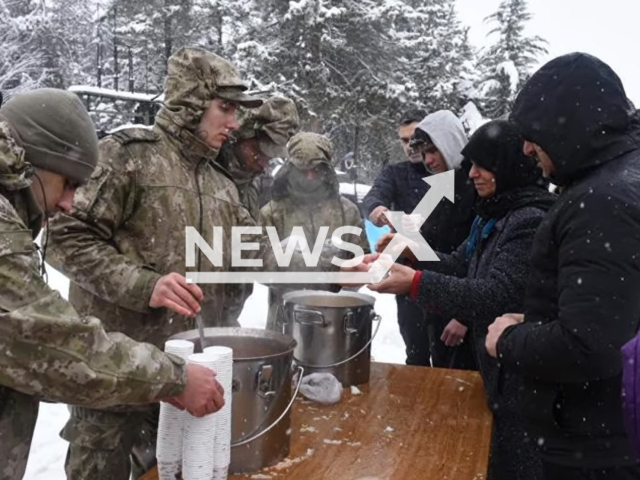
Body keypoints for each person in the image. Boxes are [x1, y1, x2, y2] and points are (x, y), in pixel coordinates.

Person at [47, 47, 261, 480]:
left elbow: (253, 249)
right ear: (191, 101)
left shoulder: (221, 183)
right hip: (116, 382)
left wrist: (333, 258)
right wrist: (144, 285)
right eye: (225, 107)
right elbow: (62, 238)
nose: (235, 123)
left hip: (191, 381)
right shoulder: (128, 157)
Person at [0, 89, 224, 480]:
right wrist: (175, 377)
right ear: (30, 165)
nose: (70, 202)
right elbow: (49, 342)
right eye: (68, 183)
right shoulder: (131, 157)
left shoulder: (214, 178)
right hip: (115, 389)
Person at [485, 53, 640, 479]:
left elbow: (590, 346)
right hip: (607, 429)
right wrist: (539, 318)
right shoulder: (616, 182)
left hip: (594, 447)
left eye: (533, 134)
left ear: (566, 127)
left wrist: (510, 339)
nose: (526, 147)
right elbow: (613, 314)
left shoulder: (601, 202)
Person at [372, 120, 555, 480]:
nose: (471, 174)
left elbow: (495, 295)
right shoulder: (494, 215)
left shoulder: (529, 220)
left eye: (482, 165)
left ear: (508, 166)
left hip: (522, 382)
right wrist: (413, 251)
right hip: (497, 374)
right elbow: (460, 264)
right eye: (469, 165)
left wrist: (416, 284)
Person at [261, 132, 369, 331]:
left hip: (336, 321)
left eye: (317, 169)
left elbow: (362, 258)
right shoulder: (273, 212)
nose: (310, 176)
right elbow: (260, 265)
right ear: (290, 169)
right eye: (303, 170)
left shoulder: (347, 212)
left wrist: (357, 273)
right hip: (285, 319)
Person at [216, 95, 300, 326]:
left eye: (272, 156)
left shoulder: (251, 184)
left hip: (225, 317)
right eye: (261, 150)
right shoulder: (206, 177)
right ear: (241, 135)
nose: (264, 162)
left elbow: (248, 248)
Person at [405, 110, 477, 368]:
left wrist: (465, 317)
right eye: (424, 154)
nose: (429, 160)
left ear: (450, 143)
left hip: (465, 316)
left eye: (433, 151)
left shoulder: (476, 186)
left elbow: (480, 258)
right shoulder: (441, 187)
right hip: (436, 305)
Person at [362, 109, 432, 366]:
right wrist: (378, 210)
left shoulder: (451, 171)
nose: (410, 146)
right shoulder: (396, 173)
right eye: (404, 140)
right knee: (415, 353)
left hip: (454, 274)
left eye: (415, 138)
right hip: (409, 275)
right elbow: (374, 196)